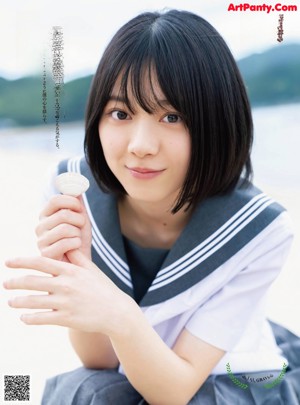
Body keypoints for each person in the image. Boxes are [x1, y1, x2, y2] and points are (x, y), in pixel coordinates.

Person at [4, 9, 300, 405]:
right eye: (121, 113)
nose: (141, 144)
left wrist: (121, 313)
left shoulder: (258, 228)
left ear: (218, 122)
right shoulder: (74, 193)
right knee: (82, 389)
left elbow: (175, 391)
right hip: (135, 366)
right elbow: (98, 359)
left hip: (231, 376)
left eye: (172, 116)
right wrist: (79, 267)